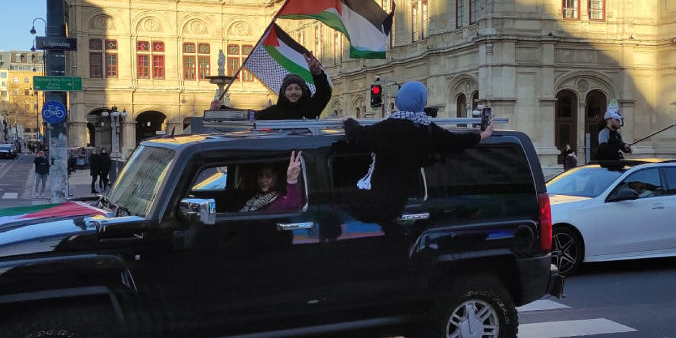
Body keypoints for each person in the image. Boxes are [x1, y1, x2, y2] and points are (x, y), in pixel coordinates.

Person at [342, 81, 491, 223]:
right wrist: (481, 135)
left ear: (400, 100)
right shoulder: (427, 129)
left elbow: (358, 135)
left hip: (378, 200)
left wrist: (349, 121)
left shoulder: (388, 127)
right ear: (421, 102)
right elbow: (455, 141)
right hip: (406, 200)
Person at [209, 53, 332, 120]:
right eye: (289, 89)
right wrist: (222, 108)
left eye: (297, 88)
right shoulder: (273, 112)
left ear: (304, 92)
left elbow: (324, 93)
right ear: (283, 93)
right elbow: (250, 116)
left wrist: (317, 74)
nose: (293, 92)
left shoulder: (312, 107)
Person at [235, 152, 304, 213]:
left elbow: (292, 203)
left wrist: (291, 180)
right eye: (261, 176)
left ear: (277, 178)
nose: (263, 180)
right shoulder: (257, 198)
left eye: (268, 176)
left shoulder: (279, 200)